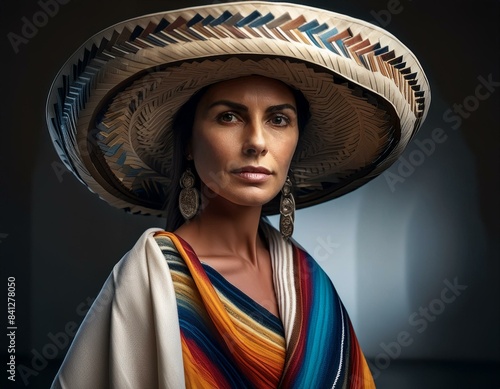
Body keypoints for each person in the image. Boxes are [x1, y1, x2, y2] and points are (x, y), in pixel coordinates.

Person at [46, 2, 430, 388]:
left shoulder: (309, 281)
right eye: (228, 116)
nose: (257, 143)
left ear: (296, 141)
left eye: (279, 120)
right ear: (190, 143)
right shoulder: (152, 277)